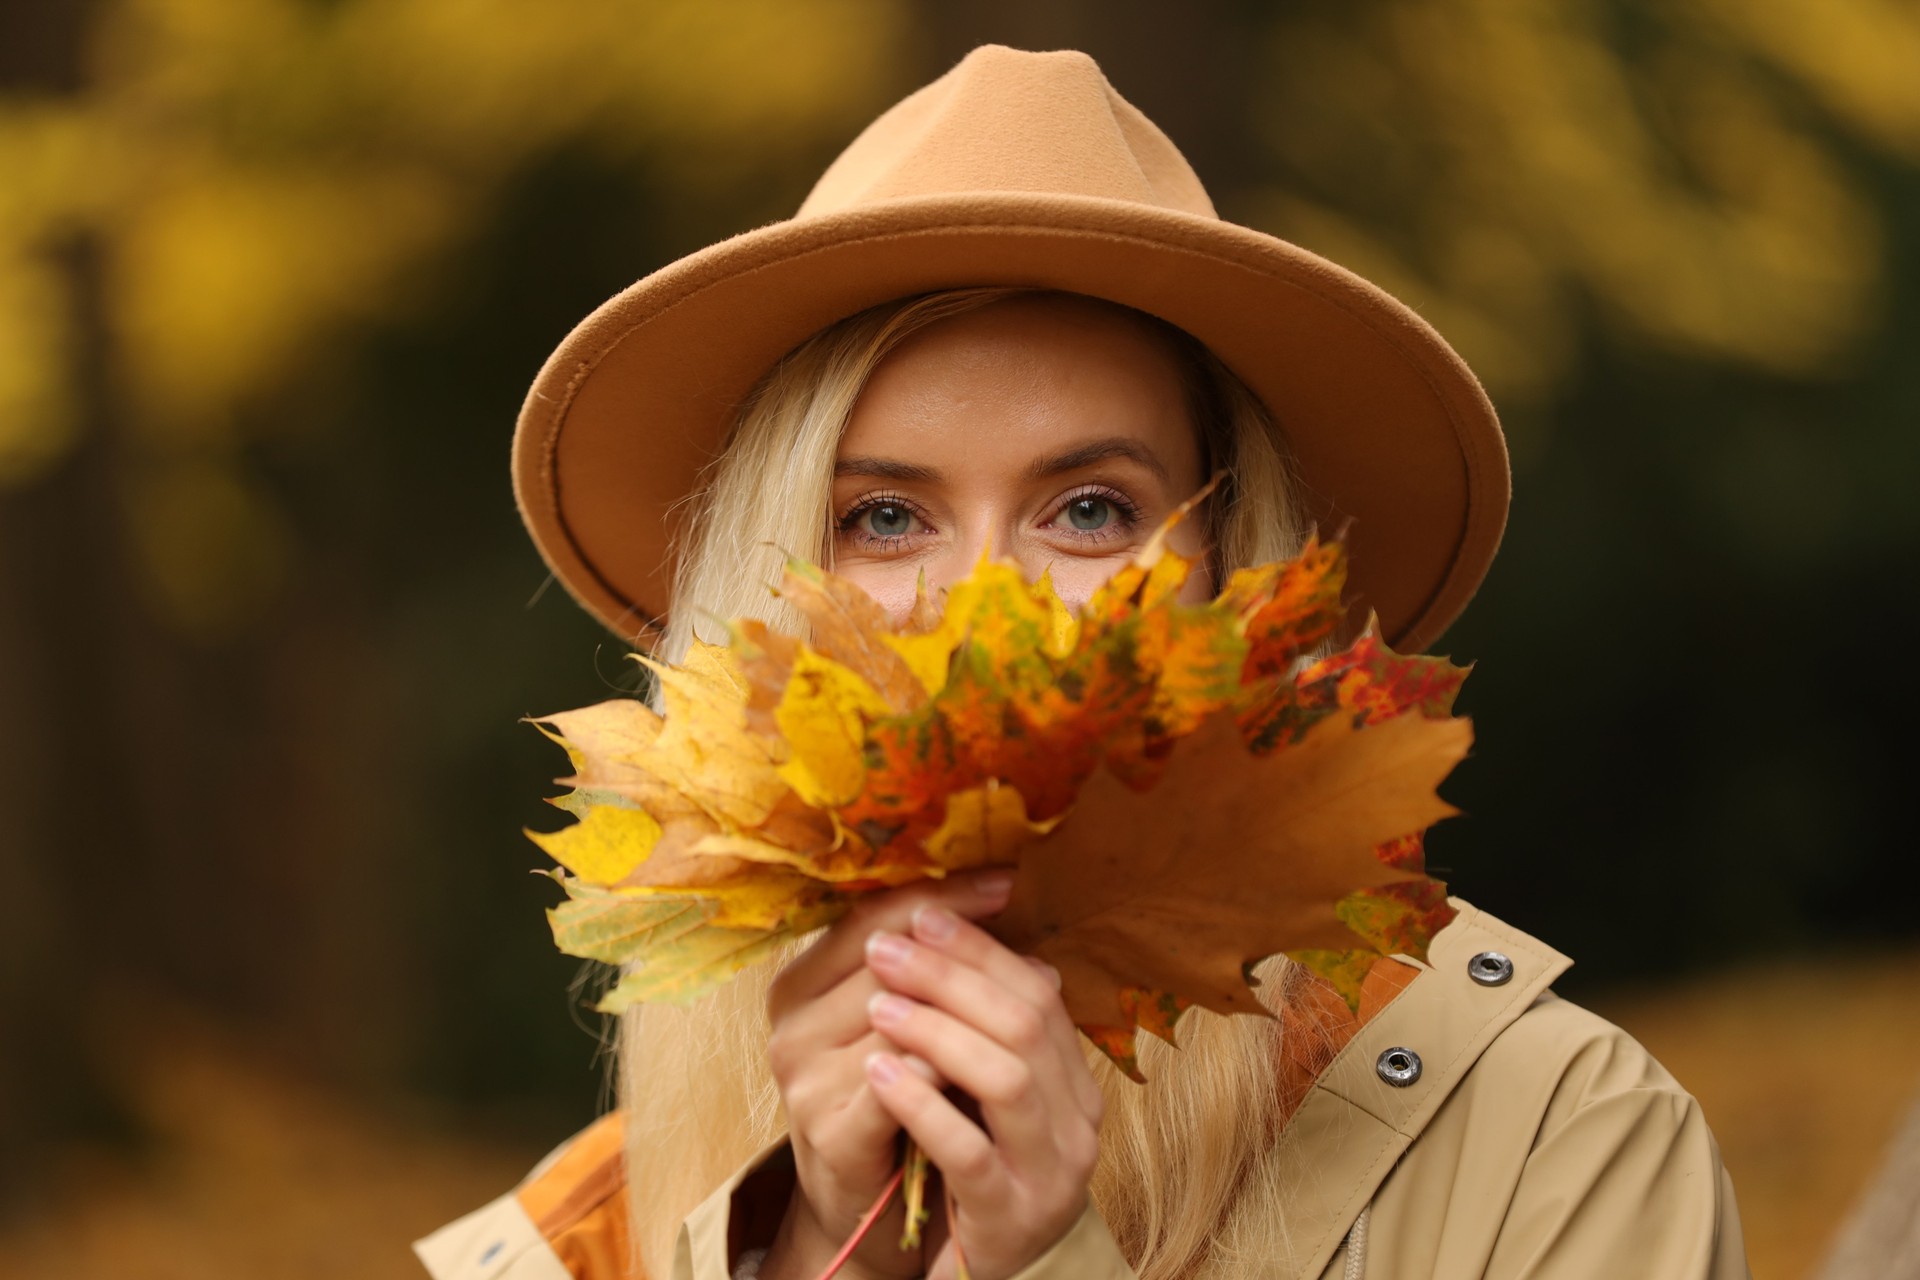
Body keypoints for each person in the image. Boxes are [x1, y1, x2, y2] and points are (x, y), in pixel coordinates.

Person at [417, 46, 1750, 1280]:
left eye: (1091, 508)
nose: (982, 600)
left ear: (1236, 574)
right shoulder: (581, 1248)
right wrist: (834, 1247)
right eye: (885, 517)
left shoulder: (1558, 1148)